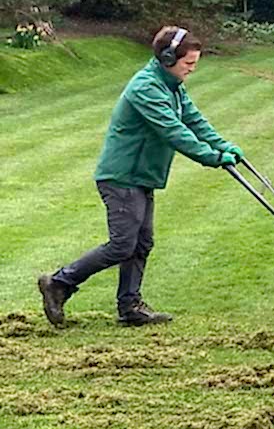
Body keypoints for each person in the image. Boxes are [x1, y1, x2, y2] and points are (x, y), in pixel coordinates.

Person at [38, 26, 242, 327]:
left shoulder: (172, 85)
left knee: (142, 243)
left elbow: (194, 121)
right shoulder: (146, 87)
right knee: (123, 244)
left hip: (141, 176)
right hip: (122, 176)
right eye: (188, 64)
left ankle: (130, 306)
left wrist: (224, 145)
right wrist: (212, 157)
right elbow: (174, 131)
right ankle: (58, 283)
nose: (192, 69)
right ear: (168, 57)